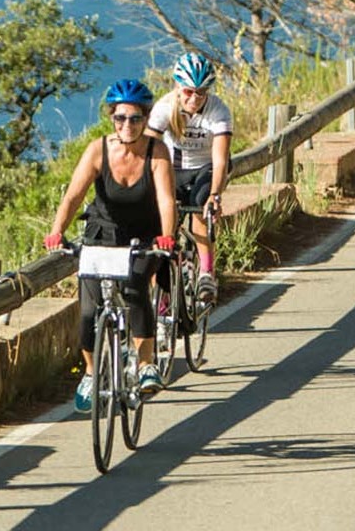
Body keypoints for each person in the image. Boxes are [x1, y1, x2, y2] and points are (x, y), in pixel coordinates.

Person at [44, 78, 178, 414]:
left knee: (134, 290)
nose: (127, 125)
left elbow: (166, 199)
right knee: (89, 311)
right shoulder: (97, 150)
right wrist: (57, 230)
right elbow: (74, 194)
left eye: (135, 118)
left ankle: (146, 364)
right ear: (111, 118)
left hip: (143, 236)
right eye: (120, 118)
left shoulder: (157, 152)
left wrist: (167, 236)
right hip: (101, 234)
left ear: (146, 118)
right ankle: (91, 373)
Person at [145, 52, 233, 304]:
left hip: (207, 168)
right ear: (177, 86)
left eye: (201, 92)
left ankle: (206, 271)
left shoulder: (218, 111)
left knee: (200, 208)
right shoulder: (164, 108)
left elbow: (220, 160)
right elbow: (150, 150)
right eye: (188, 91)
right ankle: (160, 294)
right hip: (174, 168)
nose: (194, 98)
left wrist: (215, 195)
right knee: (164, 218)